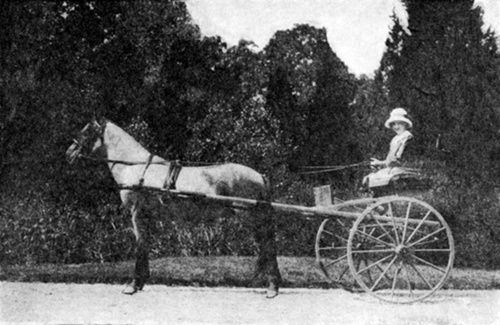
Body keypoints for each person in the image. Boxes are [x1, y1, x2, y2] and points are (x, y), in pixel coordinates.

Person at [363, 108, 415, 190]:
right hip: (394, 167)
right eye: (394, 124)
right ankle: (376, 197)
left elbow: (398, 159)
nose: (396, 127)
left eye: (399, 124)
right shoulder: (395, 139)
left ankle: (380, 196)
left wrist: (380, 163)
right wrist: (380, 163)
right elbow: (390, 158)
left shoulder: (407, 137)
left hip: (403, 168)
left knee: (375, 177)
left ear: (405, 124)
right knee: (369, 177)